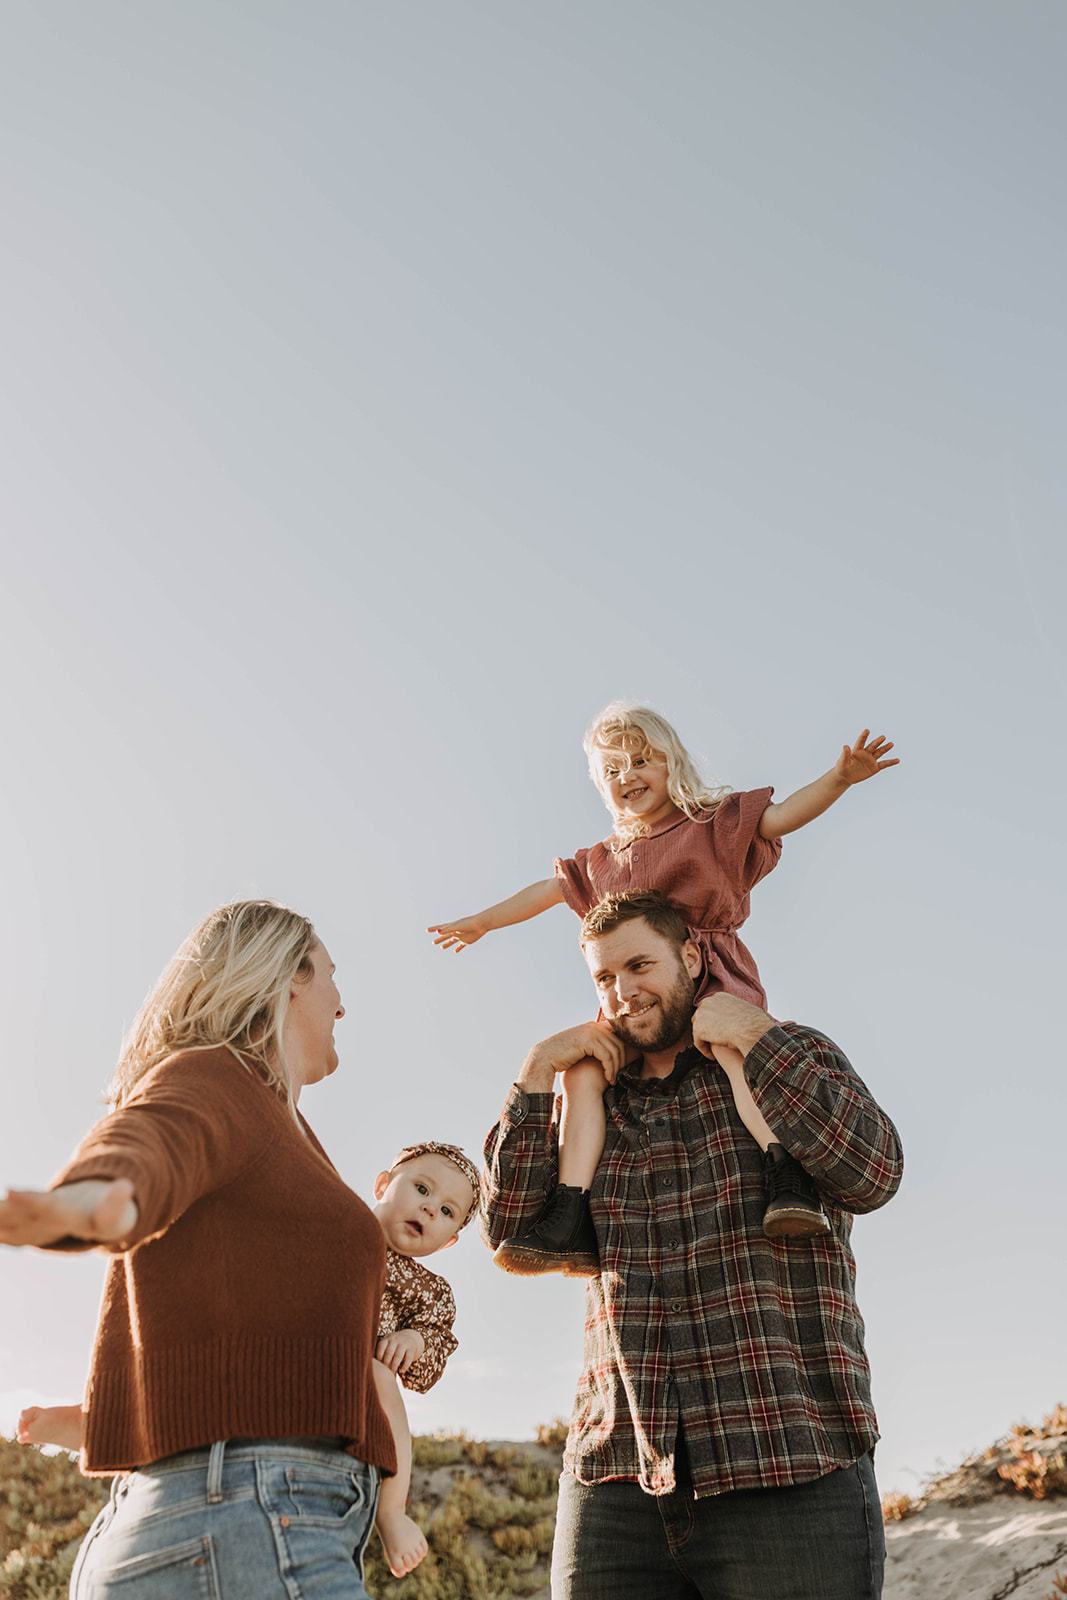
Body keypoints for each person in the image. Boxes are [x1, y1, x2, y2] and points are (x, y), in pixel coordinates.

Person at [482, 889, 903, 1600]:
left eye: (639, 964)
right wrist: (532, 1075)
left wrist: (759, 1038)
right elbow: (513, 1231)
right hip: (616, 1475)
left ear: (691, 955)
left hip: (787, 1463)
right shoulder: (590, 1095)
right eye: (603, 978)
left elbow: (873, 1171)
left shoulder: (784, 1052)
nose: (622, 992)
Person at [0, 900, 395, 1600]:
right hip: (247, 1515)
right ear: (290, 977)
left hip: (241, 1517)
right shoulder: (216, 1076)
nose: (344, 1003)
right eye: (333, 976)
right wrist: (90, 1198)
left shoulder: (286, 1129)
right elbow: (151, 1137)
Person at [430, 702, 898, 1262]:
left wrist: (840, 779)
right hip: (642, 1011)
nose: (626, 776)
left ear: (670, 762)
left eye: (639, 761)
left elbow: (780, 818)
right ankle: (571, 1211)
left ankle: (784, 1173)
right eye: (611, 771)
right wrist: (482, 921)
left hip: (714, 981)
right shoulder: (606, 861)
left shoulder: (709, 826)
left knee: (729, 1049)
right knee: (583, 1072)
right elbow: (549, 890)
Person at [17, 1135, 481, 1586]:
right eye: (421, 1189)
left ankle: (392, 1512)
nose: (428, 1208)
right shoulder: (338, 1220)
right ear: (383, 1185)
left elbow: (438, 1340)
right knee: (207, 1372)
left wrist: (415, 1339)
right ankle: (100, 1423)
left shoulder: (428, 1290)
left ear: (448, 1243)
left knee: (383, 1381)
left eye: (445, 1212)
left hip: (353, 1371)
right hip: (279, 1347)